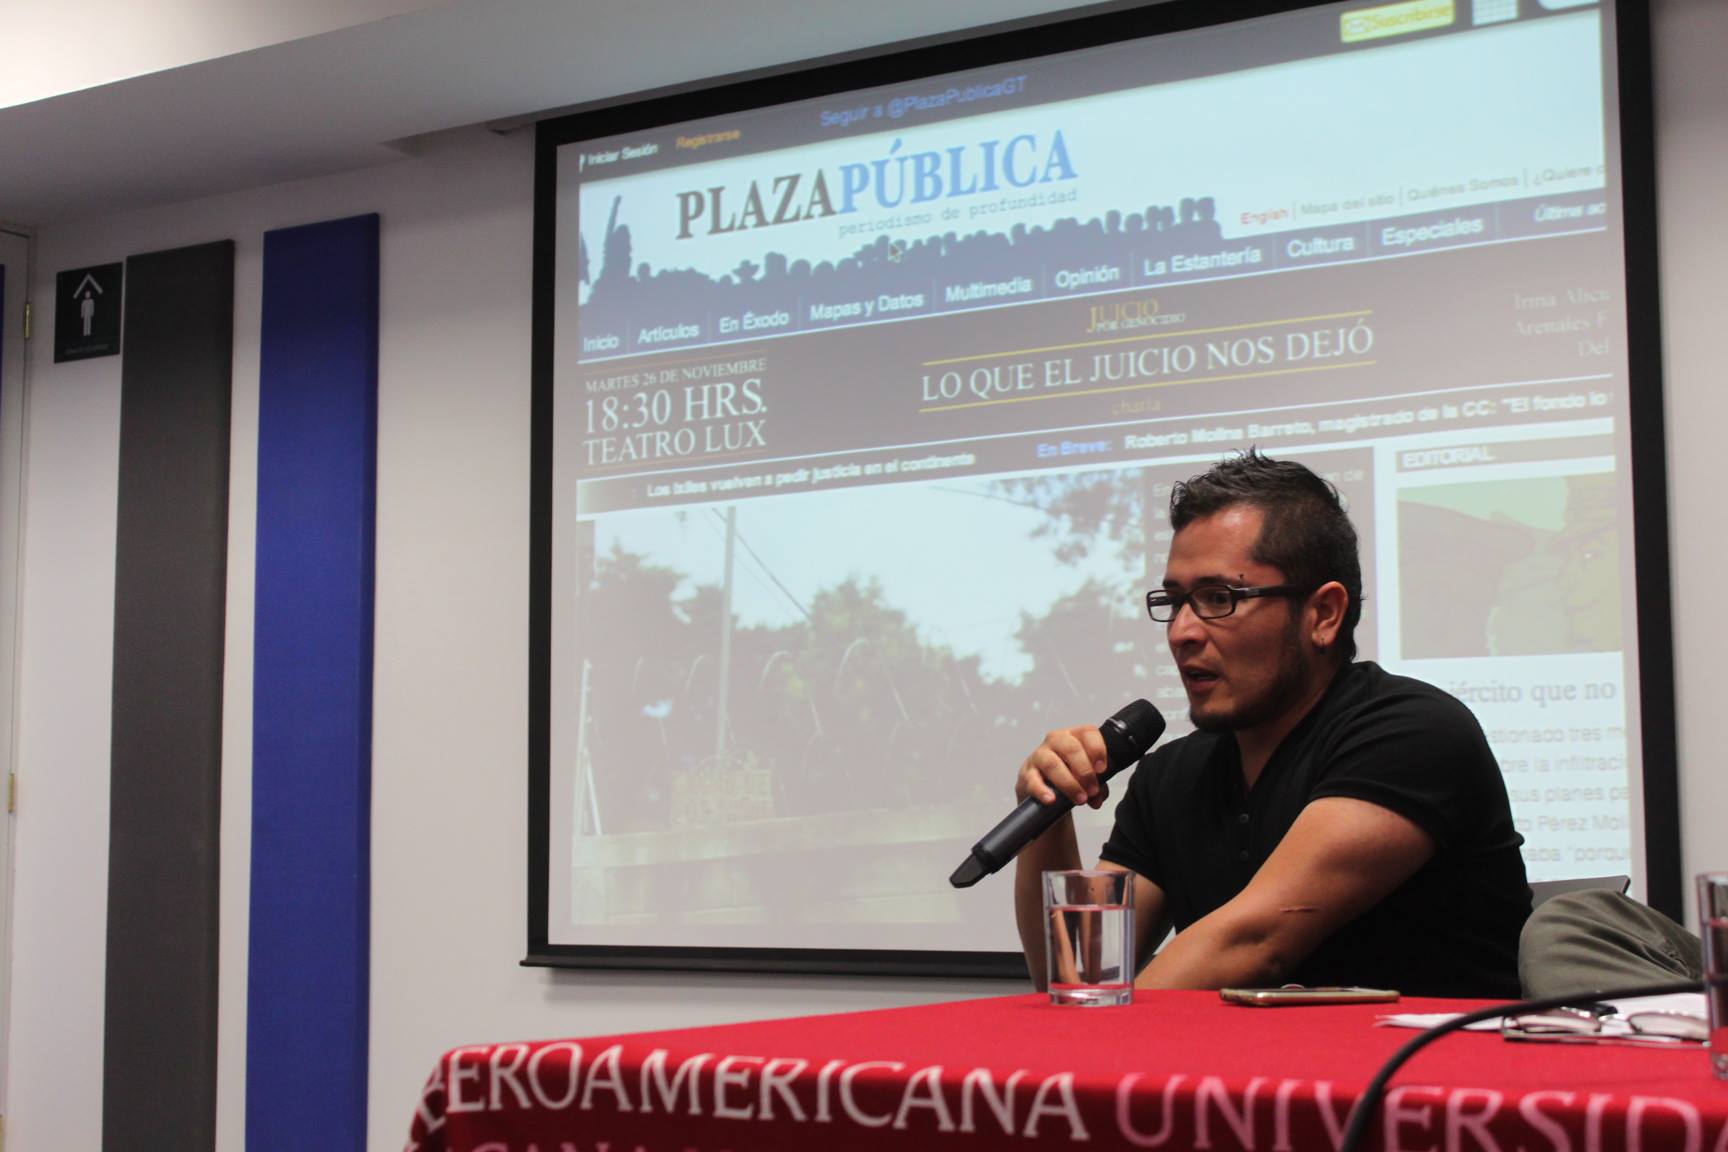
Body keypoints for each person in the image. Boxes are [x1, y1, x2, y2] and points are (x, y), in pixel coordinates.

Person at [1013, 450, 1532, 998]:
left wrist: (1095, 1031)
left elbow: (1255, 941)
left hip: (1423, 1055)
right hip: (1233, 1058)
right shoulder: (1171, 775)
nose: (1182, 631)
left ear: (1323, 614)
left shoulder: (1413, 732)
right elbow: (1077, 977)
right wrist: (1047, 813)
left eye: (1218, 598)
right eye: (1175, 601)